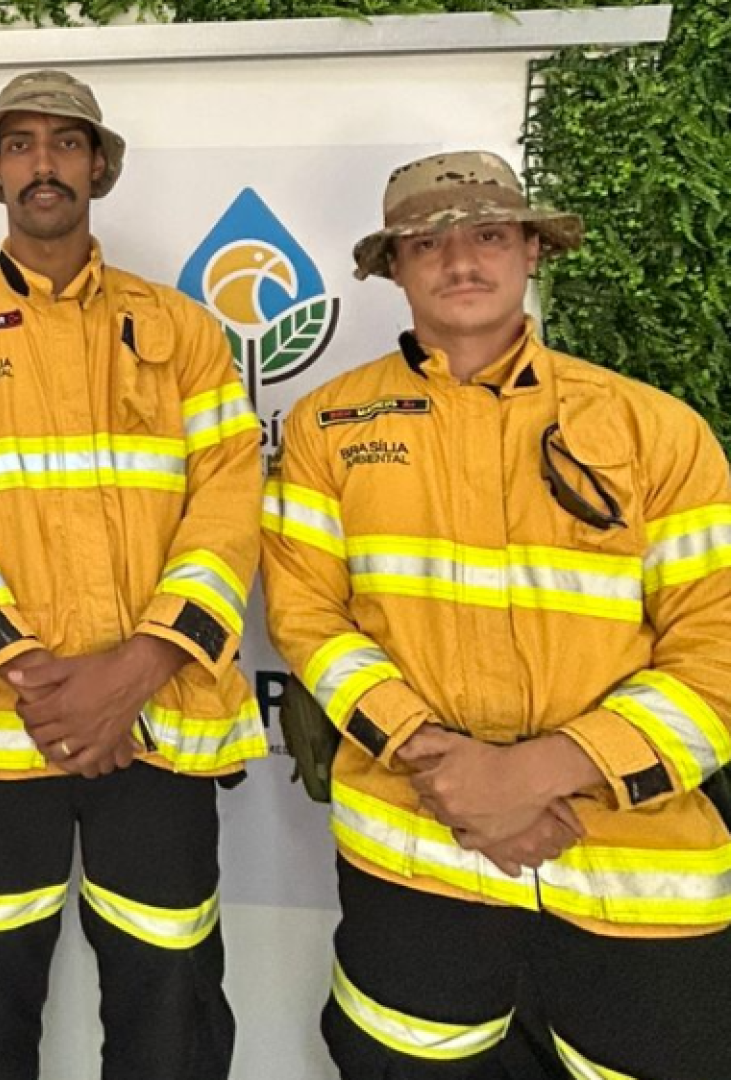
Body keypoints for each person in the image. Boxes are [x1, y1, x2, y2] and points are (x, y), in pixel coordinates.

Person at [262, 150, 731, 1080]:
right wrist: (451, 775)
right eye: (426, 243)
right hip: (415, 869)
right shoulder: (325, 427)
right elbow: (309, 621)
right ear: (393, 268)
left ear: (531, 252)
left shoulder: (655, 429)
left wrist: (548, 772)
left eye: (487, 235)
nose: (459, 261)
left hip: (637, 886)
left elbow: (716, 644)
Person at [0, 70, 265, 1080]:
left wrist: (136, 670)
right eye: (21, 144)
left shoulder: (184, 331)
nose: (43, 162)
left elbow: (229, 506)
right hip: (6, 728)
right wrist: (35, 679)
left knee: (172, 995)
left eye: (65, 142)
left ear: (98, 165)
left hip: (160, 726)